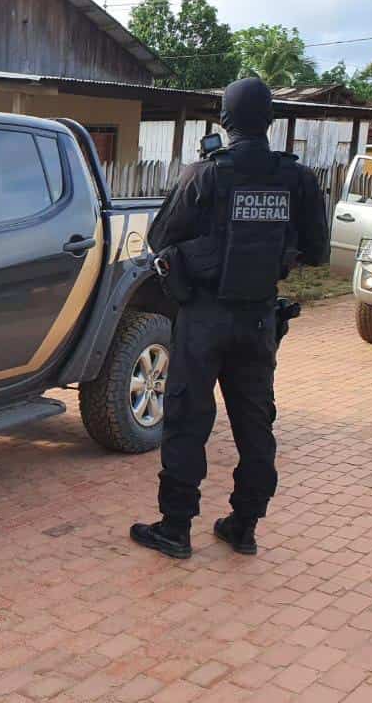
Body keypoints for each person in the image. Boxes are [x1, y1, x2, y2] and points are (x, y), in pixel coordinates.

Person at [130, 77, 328, 560]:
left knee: (186, 422)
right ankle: (244, 525)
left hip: (204, 318)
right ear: (270, 121)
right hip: (259, 319)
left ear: (225, 120)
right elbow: (317, 251)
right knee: (255, 424)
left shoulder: (205, 174)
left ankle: (176, 529)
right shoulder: (296, 178)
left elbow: (160, 239)